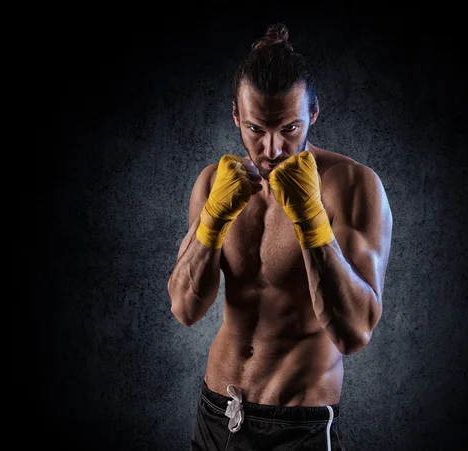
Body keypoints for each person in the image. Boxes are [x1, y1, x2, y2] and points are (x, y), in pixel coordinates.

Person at [168, 22, 393, 451]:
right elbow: (185, 308)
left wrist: (312, 220)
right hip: (216, 414)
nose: (271, 149)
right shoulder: (215, 182)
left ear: (313, 115)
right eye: (256, 129)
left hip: (298, 427)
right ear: (236, 115)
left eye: (289, 129)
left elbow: (354, 333)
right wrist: (213, 219)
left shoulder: (352, 186)